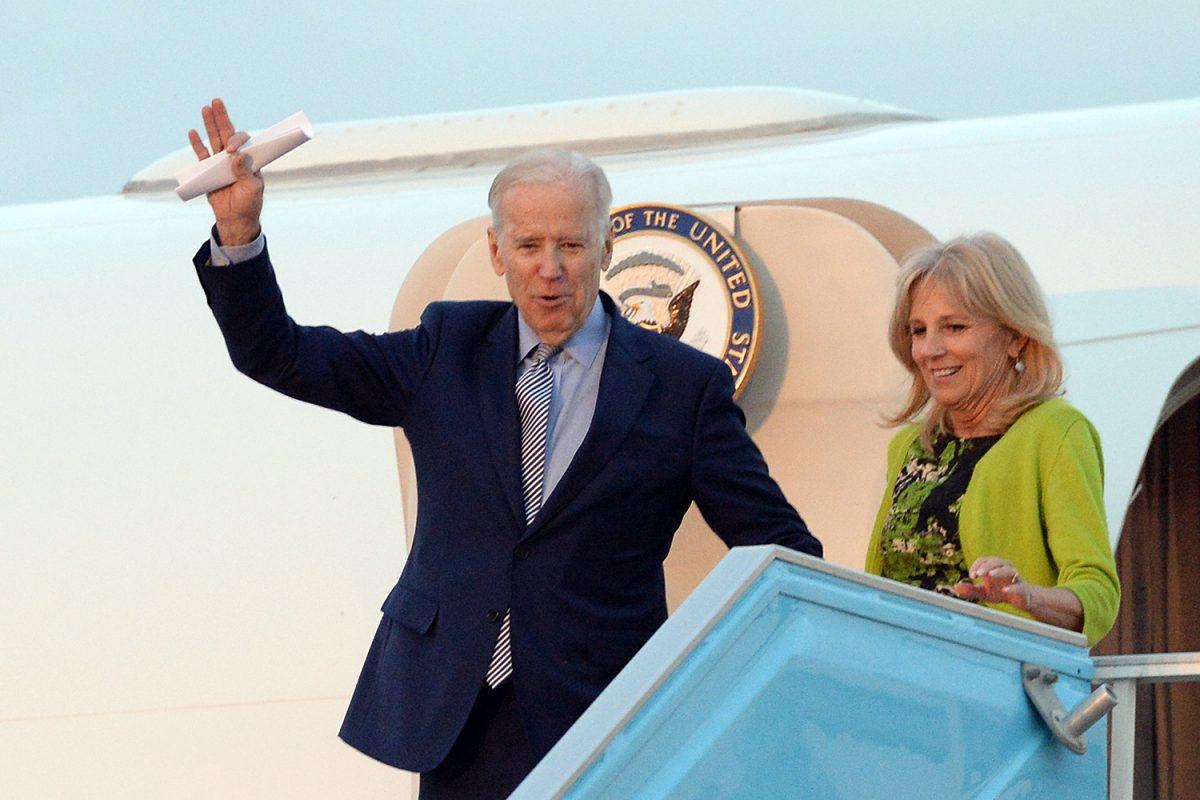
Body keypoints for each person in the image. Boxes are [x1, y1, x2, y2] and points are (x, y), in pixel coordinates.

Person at [187, 99, 821, 798]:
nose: (550, 269)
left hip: (607, 723)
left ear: (608, 248)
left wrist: (709, 688)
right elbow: (279, 354)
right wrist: (239, 231)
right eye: (528, 246)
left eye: (571, 245)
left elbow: (779, 553)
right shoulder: (444, 349)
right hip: (458, 722)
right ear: (497, 253)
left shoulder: (681, 387)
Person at [864, 232, 1119, 647]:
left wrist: (1028, 597)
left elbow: (1098, 594)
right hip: (899, 680)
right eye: (918, 330)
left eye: (955, 327)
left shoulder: (1056, 432)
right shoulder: (909, 447)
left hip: (996, 691)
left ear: (1016, 335)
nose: (930, 350)